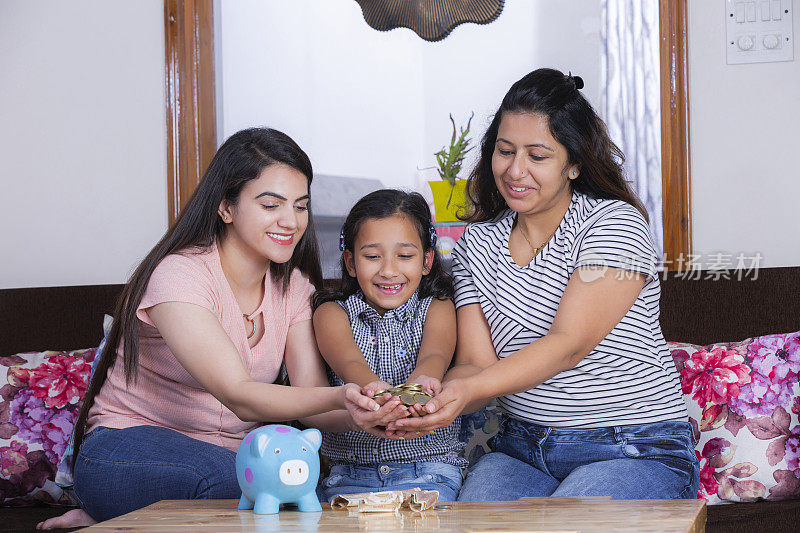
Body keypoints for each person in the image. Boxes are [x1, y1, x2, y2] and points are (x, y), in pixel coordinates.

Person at [38, 128, 381, 529]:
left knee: (297, 484)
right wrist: (341, 394)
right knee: (242, 484)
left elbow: (315, 403)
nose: (291, 221)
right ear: (226, 208)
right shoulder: (180, 275)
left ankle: (122, 520)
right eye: (271, 204)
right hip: (125, 449)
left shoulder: (295, 289)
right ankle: (111, 508)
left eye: (301, 206)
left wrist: (368, 412)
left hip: (236, 460)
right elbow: (240, 397)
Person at [388, 69, 700, 501]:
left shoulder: (613, 224)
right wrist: (435, 396)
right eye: (505, 151)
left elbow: (569, 343)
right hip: (522, 450)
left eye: (537, 155)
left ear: (574, 163)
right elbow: (478, 364)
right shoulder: (477, 243)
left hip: (633, 446)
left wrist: (469, 390)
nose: (515, 170)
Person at [312, 190, 467, 502]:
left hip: (430, 470)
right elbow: (349, 363)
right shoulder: (331, 313)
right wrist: (375, 392)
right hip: (348, 475)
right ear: (350, 261)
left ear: (426, 261)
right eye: (372, 256)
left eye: (405, 256)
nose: (388, 270)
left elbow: (435, 353)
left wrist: (421, 386)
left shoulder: (437, 307)